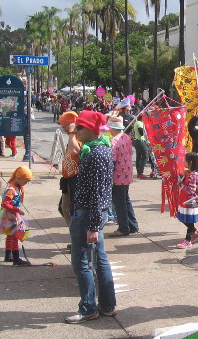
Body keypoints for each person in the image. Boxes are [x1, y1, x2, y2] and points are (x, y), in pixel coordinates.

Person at [66, 110, 116, 324]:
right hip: (94, 212)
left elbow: (96, 192)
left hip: (88, 213)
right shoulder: (101, 148)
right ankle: (107, 304)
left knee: (82, 261)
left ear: (91, 130)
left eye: (80, 128)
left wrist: (93, 225)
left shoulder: (95, 154)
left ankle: (88, 307)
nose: (77, 131)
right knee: (100, 259)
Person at [106, 115, 139, 237]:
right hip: (127, 173)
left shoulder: (113, 142)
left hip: (117, 176)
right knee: (125, 200)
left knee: (119, 202)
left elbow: (112, 162)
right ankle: (133, 225)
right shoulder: (126, 137)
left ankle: (123, 227)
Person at [0, 166, 33, 266]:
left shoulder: (14, 185)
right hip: (10, 215)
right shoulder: (12, 189)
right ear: (19, 178)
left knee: (10, 235)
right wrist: (17, 210)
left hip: (10, 215)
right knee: (15, 236)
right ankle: (16, 258)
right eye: (26, 181)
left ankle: (8, 255)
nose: (26, 183)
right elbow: (5, 204)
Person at [58, 111, 81, 229]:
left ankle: (77, 238)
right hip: (68, 178)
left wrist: (72, 132)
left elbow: (75, 151)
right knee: (64, 208)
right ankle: (74, 236)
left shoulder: (79, 135)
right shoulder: (72, 136)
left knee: (73, 210)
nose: (65, 129)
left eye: (66, 126)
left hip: (75, 178)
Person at [176, 152, 198, 249]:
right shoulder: (190, 173)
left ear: (190, 162)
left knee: (189, 221)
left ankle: (188, 240)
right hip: (186, 200)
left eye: (185, 161)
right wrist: (182, 176)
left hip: (190, 201)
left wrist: (181, 184)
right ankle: (195, 232)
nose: (184, 162)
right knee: (183, 218)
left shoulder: (194, 175)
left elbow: (191, 190)